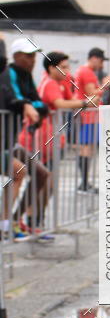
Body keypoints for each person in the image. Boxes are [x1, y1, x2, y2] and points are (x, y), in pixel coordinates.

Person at [8, 38, 53, 237]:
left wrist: (33, 106)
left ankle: (15, 220)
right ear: (16, 56)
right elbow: (15, 100)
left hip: (10, 140)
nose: (32, 60)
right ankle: (6, 224)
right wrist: (30, 105)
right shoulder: (8, 73)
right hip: (4, 141)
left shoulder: (26, 75)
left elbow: (38, 103)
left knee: (41, 174)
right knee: (19, 173)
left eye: (34, 55)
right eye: (28, 56)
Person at [74, 48, 110, 191]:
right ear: (94, 58)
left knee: (86, 148)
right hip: (88, 116)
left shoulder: (84, 71)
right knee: (86, 149)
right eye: (101, 61)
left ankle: (84, 182)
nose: (101, 65)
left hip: (89, 116)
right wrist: (105, 85)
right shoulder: (87, 72)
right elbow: (91, 94)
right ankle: (83, 183)